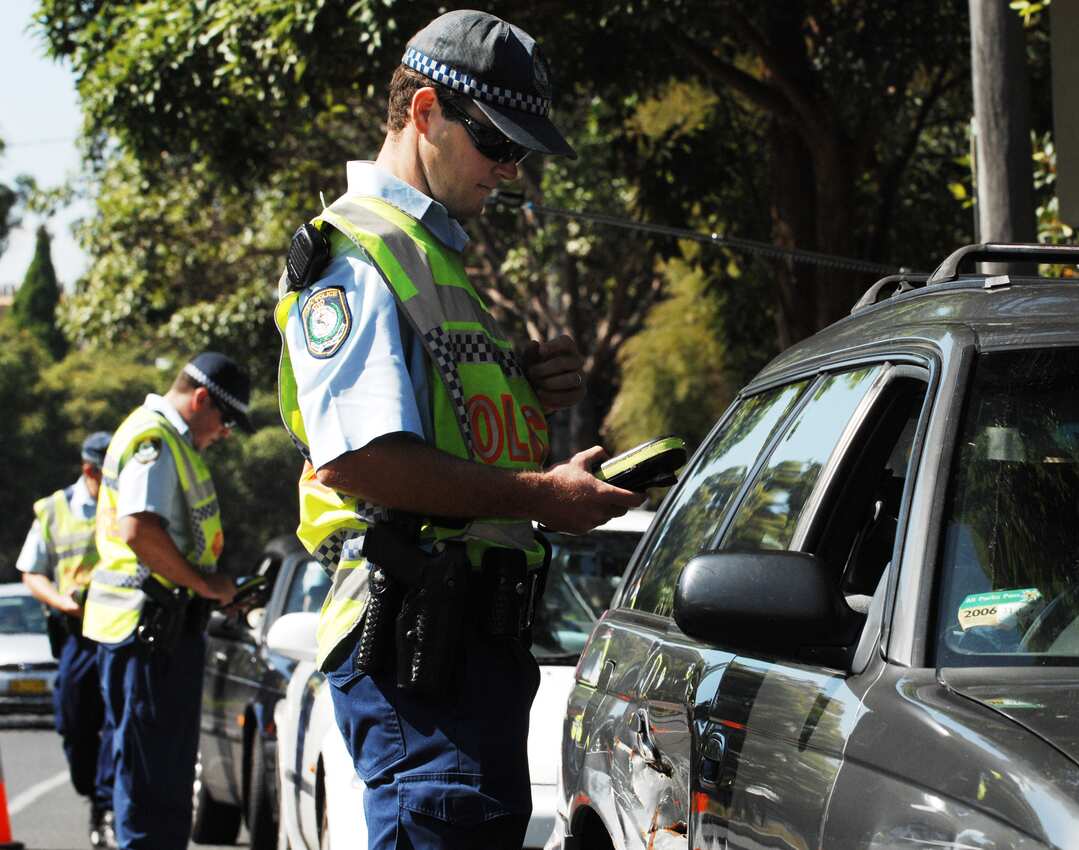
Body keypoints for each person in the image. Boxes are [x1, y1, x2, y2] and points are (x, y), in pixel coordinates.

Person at [273, 9, 646, 849]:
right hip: (416, 642)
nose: (510, 170)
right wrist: (545, 495)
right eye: (497, 143)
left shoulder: (429, 254)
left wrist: (525, 393)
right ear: (426, 112)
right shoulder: (356, 256)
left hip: (464, 644)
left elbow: (440, 428)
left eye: (521, 152)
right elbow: (364, 459)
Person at [80, 352, 250, 850]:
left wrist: (215, 590)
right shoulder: (154, 438)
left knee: (162, 781)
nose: (225, 434)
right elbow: (139, 530)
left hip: (158, 633)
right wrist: (205, 585)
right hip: (148, 633)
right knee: (152, 785)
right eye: (226, 420)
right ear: (201, 399)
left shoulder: (170, 440)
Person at [18, 431, 116, 848]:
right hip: (76, 632)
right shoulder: (54, 510)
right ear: (89, 470)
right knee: (74, 722)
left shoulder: (128, 503)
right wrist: (63, 602)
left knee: (119, 717)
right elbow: (31, 571)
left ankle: (106, 802)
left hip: (118, 628)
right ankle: (91, 789)